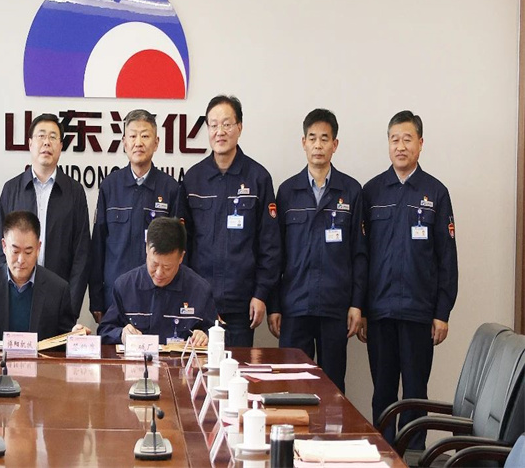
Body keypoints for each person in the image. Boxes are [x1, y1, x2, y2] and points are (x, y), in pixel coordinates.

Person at [360, 110, 458, 448]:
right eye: (394, 140)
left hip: (419, 312)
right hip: (380, 312)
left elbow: (447, 258)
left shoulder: (436, 192)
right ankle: (384, 455)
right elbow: (362, 257)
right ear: (388, 144)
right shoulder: (372, 192)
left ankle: (413, 457)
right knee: (383, 392)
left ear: (420, 143)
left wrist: (442, 312)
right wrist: (361, 309)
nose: (400, 146)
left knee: (415, 393)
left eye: (407, 139)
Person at [267, 109, 367, 393]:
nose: (318, 145)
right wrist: (274, 305)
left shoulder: (351, 191)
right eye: (312, 138)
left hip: (335, 306)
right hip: (295, 305)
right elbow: (276, 254)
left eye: (325, 139)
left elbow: (360, 254)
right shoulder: (287, 192)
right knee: (290, 384)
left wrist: (357, 304)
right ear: (303, 143)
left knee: (333, 388)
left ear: (335, 144)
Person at [180, 95, 281, 347]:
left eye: (227, 124)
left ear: (240, 127)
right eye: (213, 125)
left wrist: (261, 294)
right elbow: (183, 244)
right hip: (199, 302)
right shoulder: (193, 179)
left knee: (237, 368)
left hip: (242, 303)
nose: (220, 132)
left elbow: (270, 244)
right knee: (197, 368)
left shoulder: (258, 178)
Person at [87, 109, 185, 323]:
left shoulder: (170, 188)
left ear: (156, 143)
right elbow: (98, 246)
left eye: (145, 136)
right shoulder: (110, 186)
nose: (138, 142)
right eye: (132, 136)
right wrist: (96, 298)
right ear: (124, 142)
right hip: (115, 296)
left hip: (159, 296)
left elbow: (178, 250)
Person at [0, 113, 89, 317]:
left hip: (59, 296)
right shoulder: (11, 189)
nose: (47, 142)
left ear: (61, 146)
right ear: (30, 143)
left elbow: (81, 254)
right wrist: (5, 296)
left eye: (53, 137)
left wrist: (70, 306)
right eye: (41, 136)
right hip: (17, 294)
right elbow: (1, 250)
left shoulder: (74, 192)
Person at [0, 211, 87, 347]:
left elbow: (65, 335)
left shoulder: (58, 289)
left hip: (40, 361)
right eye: (15, 251)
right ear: (4, 246)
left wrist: (74, 335)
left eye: (28, 252)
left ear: (38, 248)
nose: (21, 260)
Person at [98, 217, 217, 346]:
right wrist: (121, 334)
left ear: (181, 257)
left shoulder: (200, 291)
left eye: (167, 267)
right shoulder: (125, 286)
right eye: (154, 264)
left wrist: (206, 336)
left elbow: (218, 333)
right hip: (138, 359)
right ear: (146, 249)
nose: (159, 273)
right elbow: (104, 331)